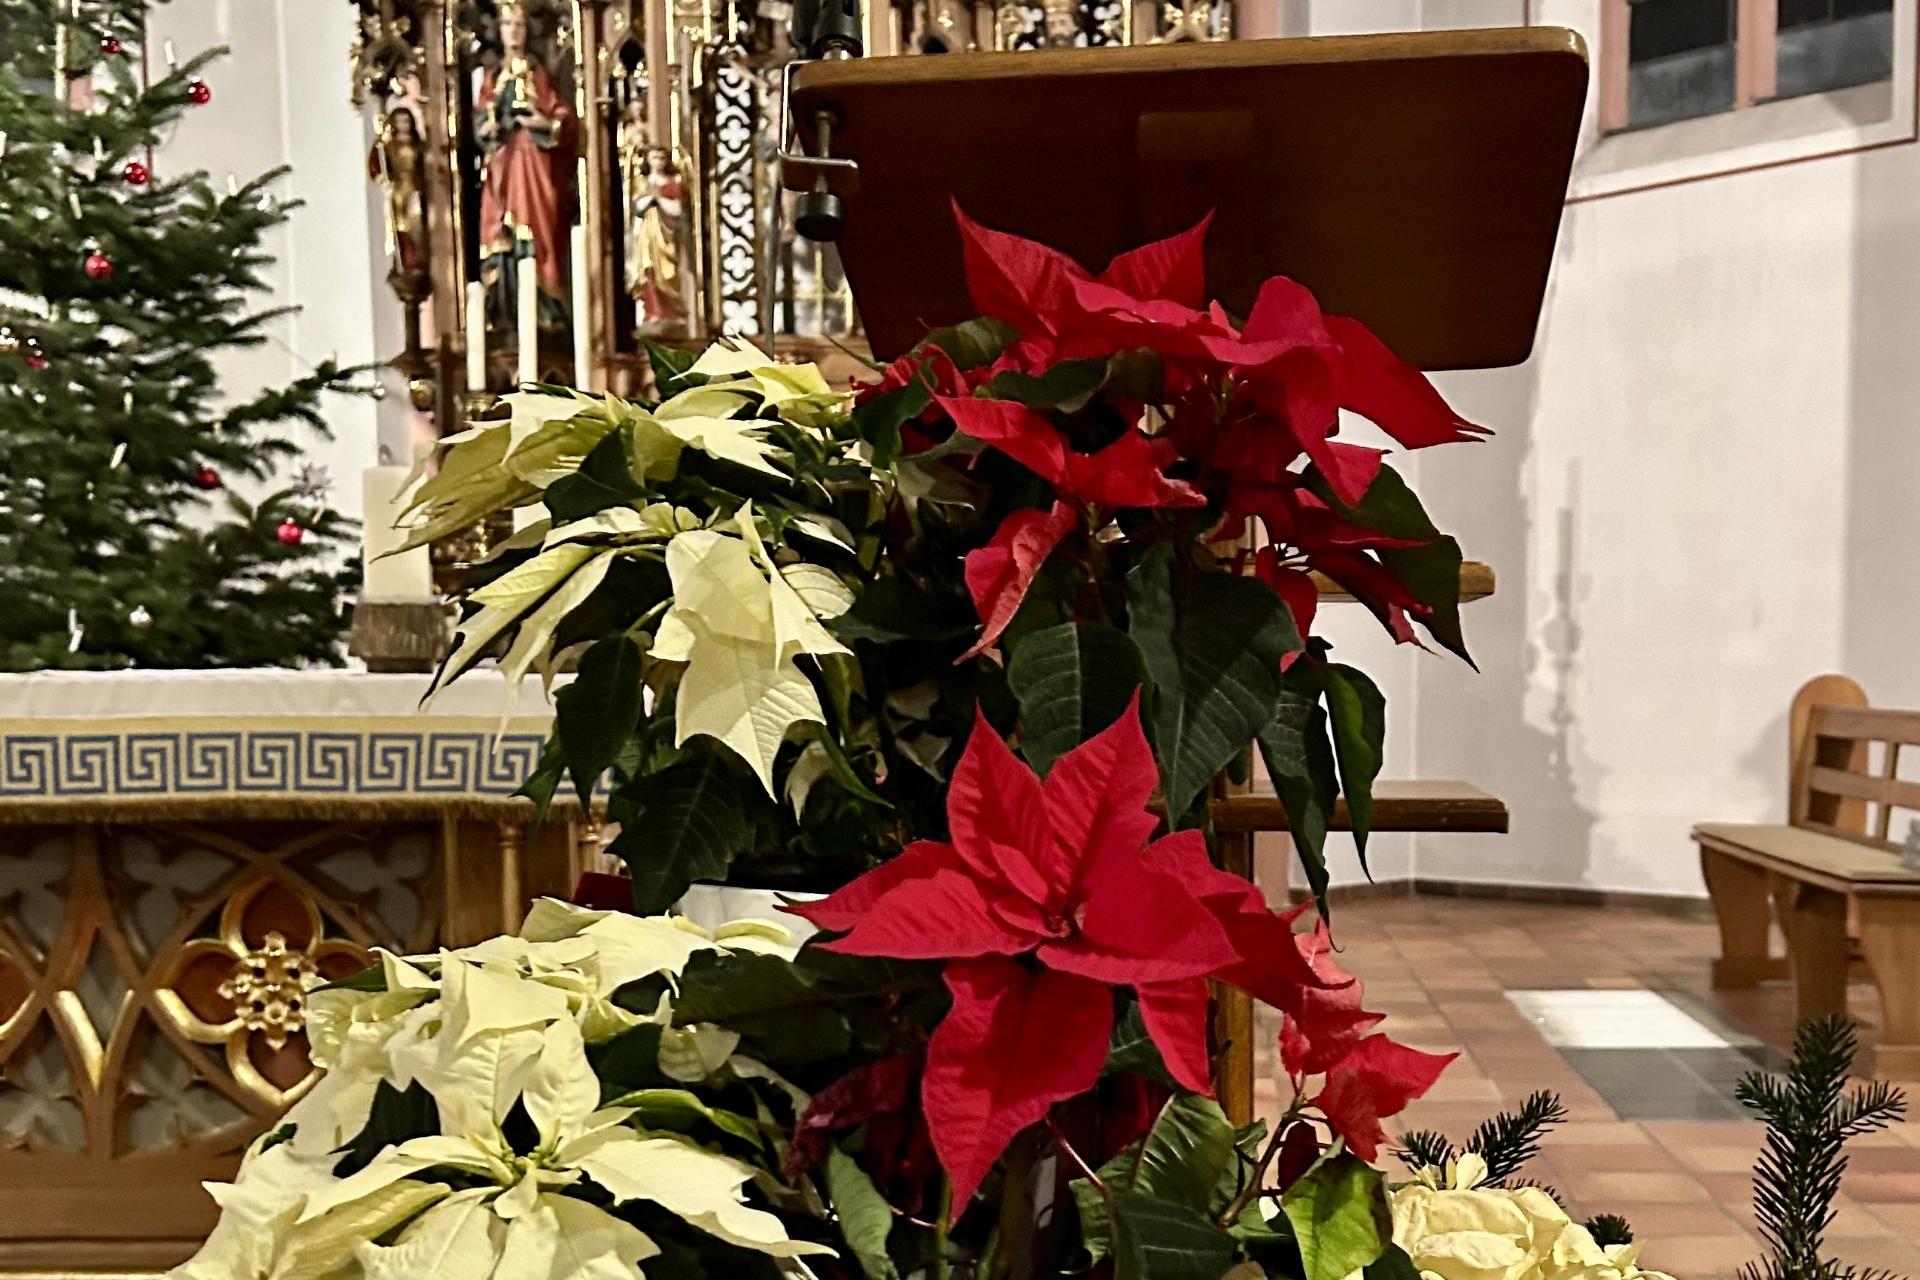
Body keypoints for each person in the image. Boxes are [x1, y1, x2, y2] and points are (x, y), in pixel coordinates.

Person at [475, 1, 573, 325]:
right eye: (507, 25)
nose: (513, 31)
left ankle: (545, 307)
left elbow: (560, 115)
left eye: (518, 25)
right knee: (501, 232)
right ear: (499, 31)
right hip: (503, 163)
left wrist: (542, 124)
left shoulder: (537, 73)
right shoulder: (493, 77)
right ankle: (505, 309)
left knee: (536, 231)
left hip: (533, 162)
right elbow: (481, 120)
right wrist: (487, 128)